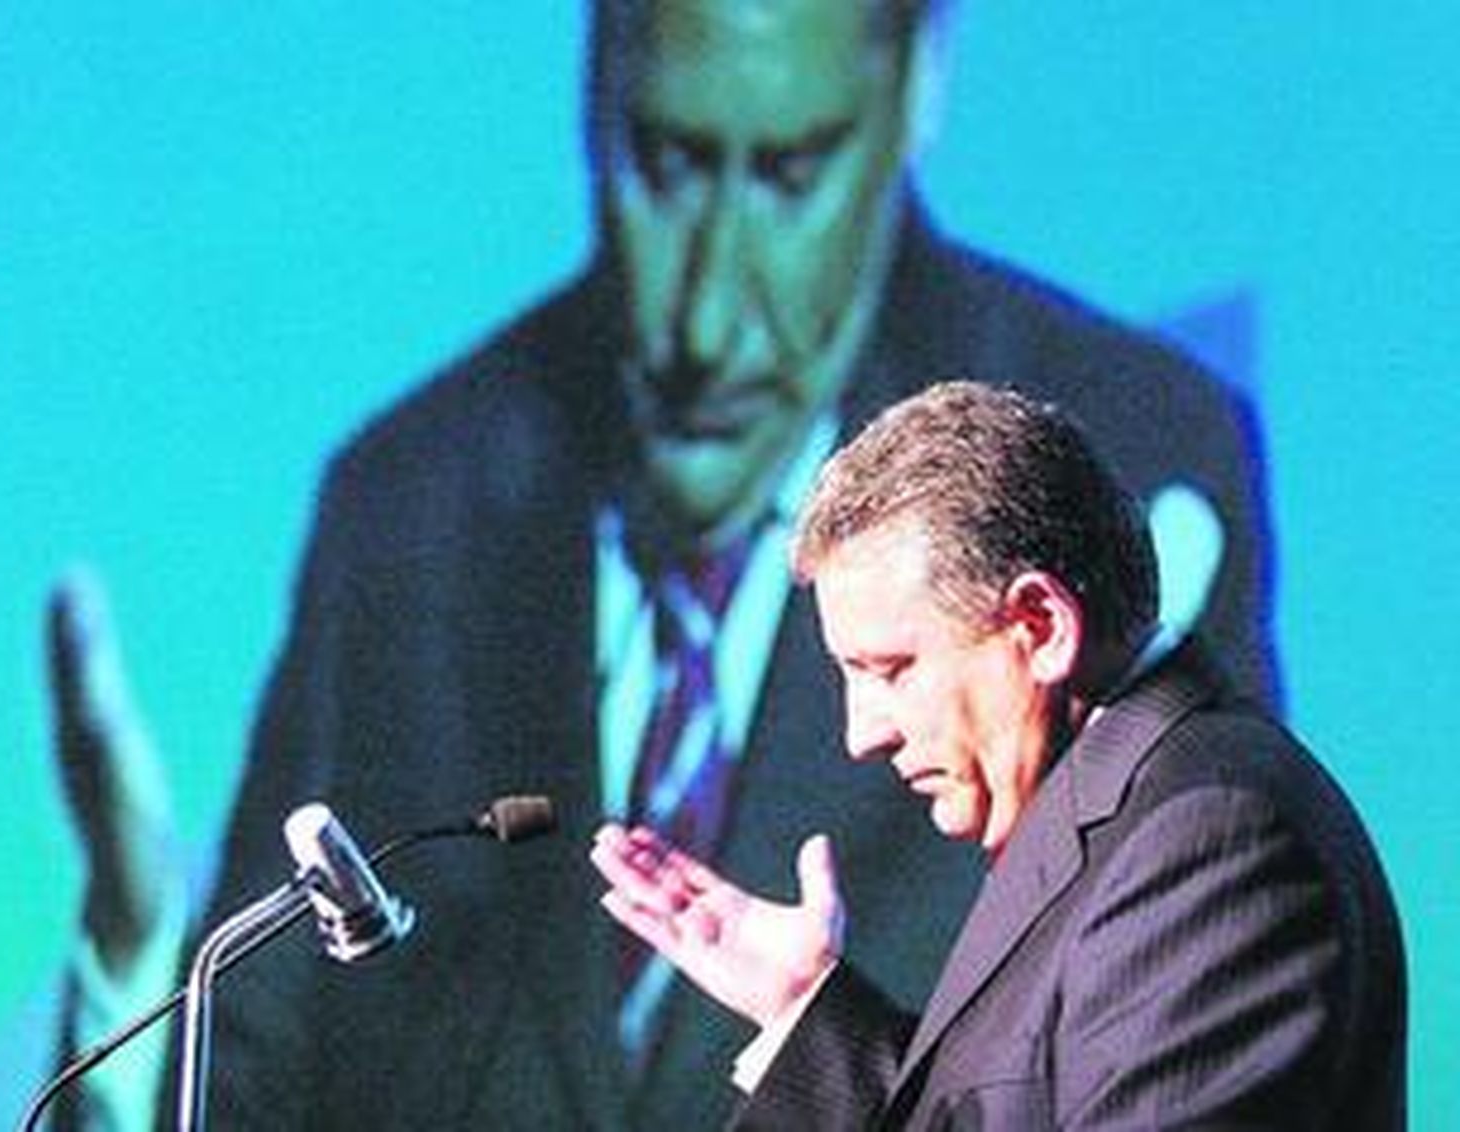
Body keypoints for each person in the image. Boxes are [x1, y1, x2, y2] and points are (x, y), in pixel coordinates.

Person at [51, 1, 1280, 1127]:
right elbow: (250, 1084)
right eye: (668, 164)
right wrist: (140, 958)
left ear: (915, 90)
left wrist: (815, 1026)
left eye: (790, 175)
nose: (703, 321)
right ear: (591, 96)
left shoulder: (1132, 468)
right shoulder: (406, 502)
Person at [591, 381, 1404, 1130]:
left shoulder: (1208, 837)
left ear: (1041, 627)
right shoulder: (1130, 821)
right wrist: (806, 1012)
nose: (861, 734)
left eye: (890, 670)